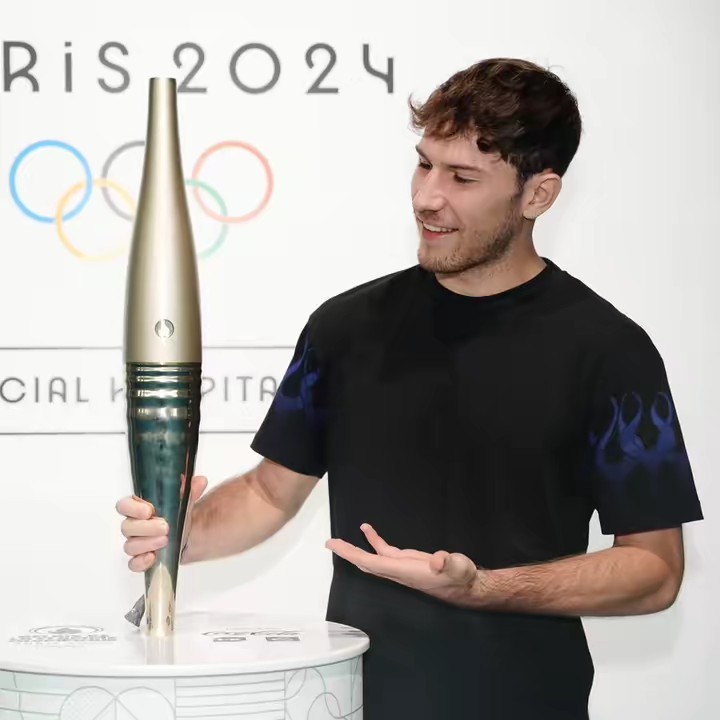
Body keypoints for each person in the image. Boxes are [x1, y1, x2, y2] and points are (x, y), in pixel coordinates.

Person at [116, 58, 704, 719]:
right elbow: (268, 493)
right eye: (424, 165)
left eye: (462, 177)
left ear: (538, 195)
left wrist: (481, 587)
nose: (427, 196)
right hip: (354, 703)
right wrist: (183, 534)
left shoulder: (609, 350)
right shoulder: (346, 327)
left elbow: (655, 570)